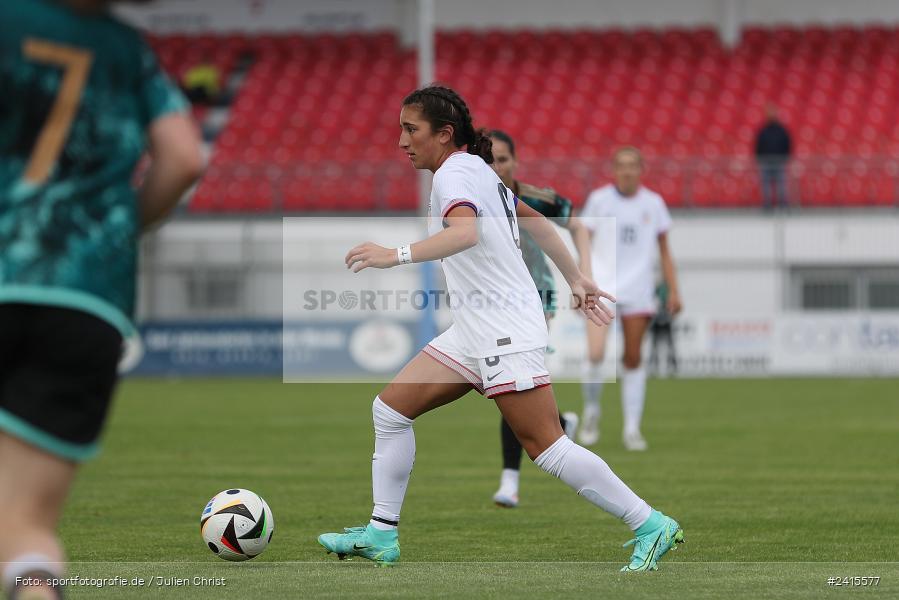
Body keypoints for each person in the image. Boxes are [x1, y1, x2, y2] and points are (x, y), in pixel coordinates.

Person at [317, 85, 683, 571]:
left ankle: (651, 524)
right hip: (475, 330)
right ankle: (382, 533)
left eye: (411, 129)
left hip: (502, 330)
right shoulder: (474, 171)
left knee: (546, 448)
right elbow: (535, 221)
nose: (402, 141)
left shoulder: (456, 175)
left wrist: (394, 255)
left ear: (444, 134)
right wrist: (576, 278)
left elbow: (465, 233)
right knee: (389, 410)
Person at [0, 1, 203, 598]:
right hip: (88, 299)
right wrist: (118, 234)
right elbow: (184, 157)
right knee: (26, 527)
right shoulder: (126, 50)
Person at [487, 130, 592, 508]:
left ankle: (509, 481)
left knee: (511, 382)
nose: (496, 167)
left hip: (536, 301)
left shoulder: (533, 198)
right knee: (512, 386)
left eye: (502, 159)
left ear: (515, 161)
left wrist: (584, 273)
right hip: (492, 304)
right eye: (488, 160)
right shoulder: (472, 204)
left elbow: (577, 224)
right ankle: (561, 424)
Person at [578, 147, 682, 451]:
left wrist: (674, 289)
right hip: (602, 287)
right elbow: (584, 240)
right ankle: (592, 412)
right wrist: (581, 281)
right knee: (595, 354)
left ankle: (632, 428)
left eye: (632, 166)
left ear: (641, 169)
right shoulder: (599, 200)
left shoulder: (654, 203)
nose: (626, 171)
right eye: (621, 165)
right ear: (614, 169)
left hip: (638, 290)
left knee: (633, 358)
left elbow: (664, 249)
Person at [755, 104, 792, 210]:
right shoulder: (763, 130)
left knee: (781, 184)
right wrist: (760, 158)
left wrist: (785, 157)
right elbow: (758, 145)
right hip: (766, 161)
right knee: (766, 185)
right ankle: (767, 205)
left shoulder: (781, 130)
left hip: (779, 161)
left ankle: (783, 205)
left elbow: (787, 144)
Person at [648, 282, 678, 377]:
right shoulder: (654, 296)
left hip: (666, 321)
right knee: (654, 347)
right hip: (656, 321)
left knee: (670, 346)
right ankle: (653, 367)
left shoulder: (668, 295)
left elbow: (672, 310)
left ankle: (673, 367)